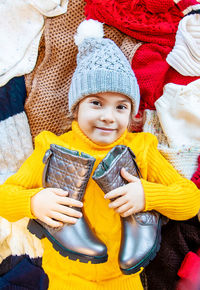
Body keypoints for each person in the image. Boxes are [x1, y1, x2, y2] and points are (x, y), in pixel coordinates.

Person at [0, 19, 199, 290]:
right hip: (65, 279)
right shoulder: (52, 149)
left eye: (121, 107)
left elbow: (191, 200)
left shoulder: (141, 148)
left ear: (132, 113)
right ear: (76, 106)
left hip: (124, 278)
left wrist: (147, 195)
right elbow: (5, 198)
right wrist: (34, 203)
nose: (108, 117)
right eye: (96, 103)